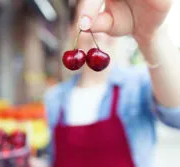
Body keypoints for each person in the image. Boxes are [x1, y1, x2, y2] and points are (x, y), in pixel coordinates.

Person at [44, 0, 180, 167]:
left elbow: (177, 116)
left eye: (106, 20)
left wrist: (149, 36)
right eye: (88, 23)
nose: (99, 33)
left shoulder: (136, 84)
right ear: (71, 30)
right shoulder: (54, 98)